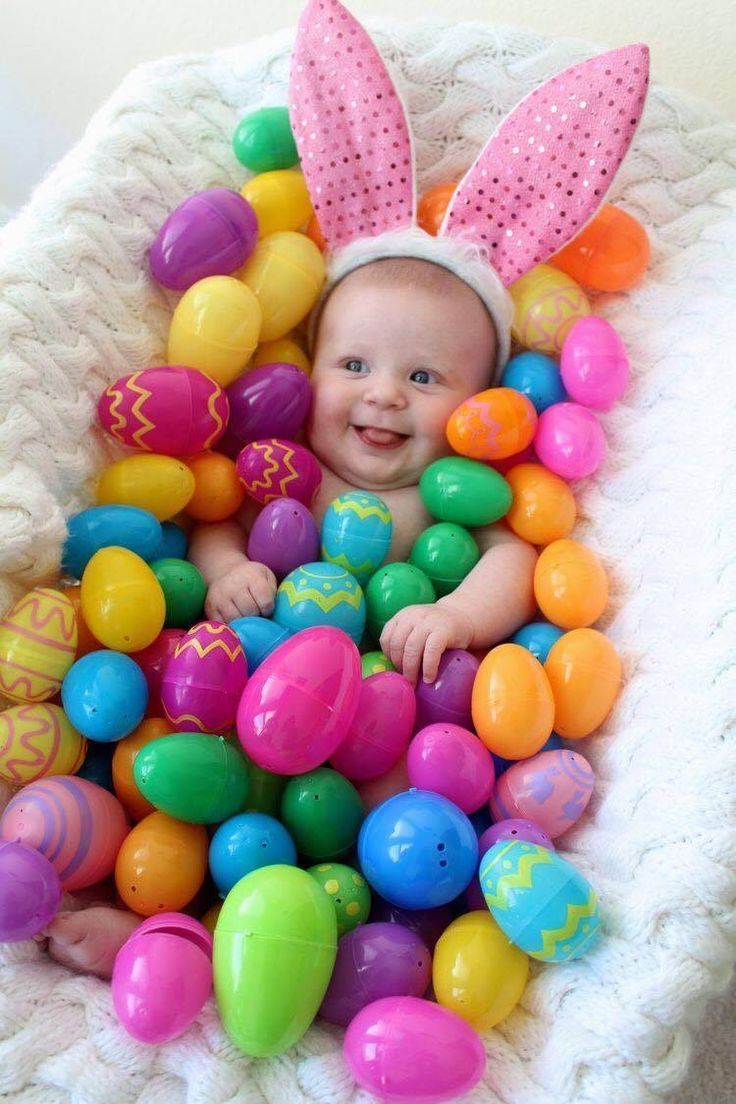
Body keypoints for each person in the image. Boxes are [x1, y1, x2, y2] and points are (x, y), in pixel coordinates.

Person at [188, 255, 538, 686]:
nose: (385, 394)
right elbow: (217, 522)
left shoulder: (456, 496)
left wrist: (457, 615)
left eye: (423, 377)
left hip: (393, 692)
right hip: (263, 677)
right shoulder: (288, 474)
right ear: (311, 373)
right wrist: (226, 571)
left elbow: (516, 561)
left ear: (477, 406)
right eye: (355, 366)